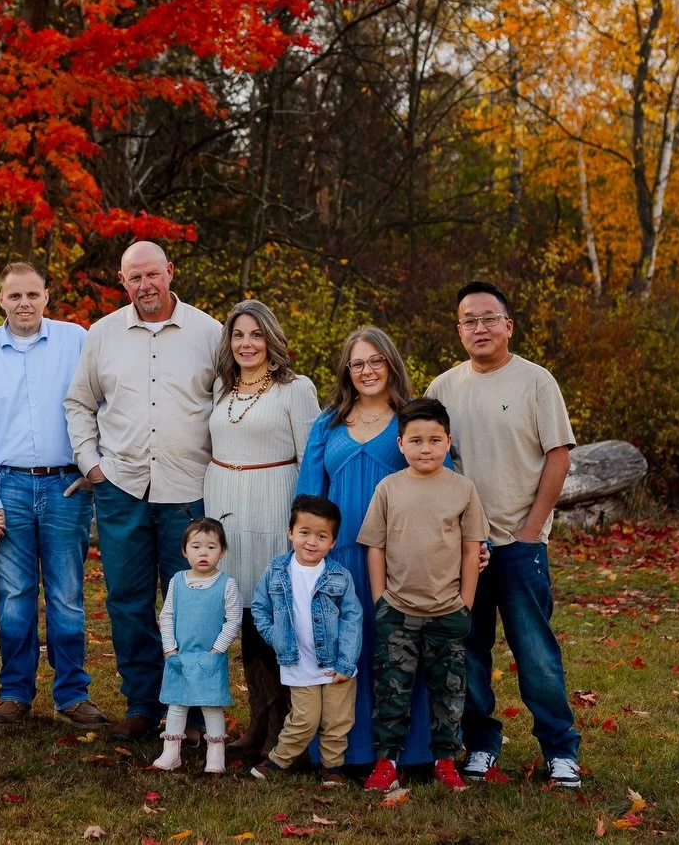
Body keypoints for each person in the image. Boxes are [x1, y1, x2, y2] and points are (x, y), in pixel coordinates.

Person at [426, 280, 581, 789]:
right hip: (464, 547)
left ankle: (561, 751)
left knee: (534, 651)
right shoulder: (443, 389)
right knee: (468, 650)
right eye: (469, 320)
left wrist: (532, 529)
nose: (479, 327)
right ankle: (482, 747)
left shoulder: (536, 382)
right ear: (459, 330)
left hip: (519, 544)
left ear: (508, 326)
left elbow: (558, 456)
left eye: (489, 318)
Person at [64, 240, 222, 740]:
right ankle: (142, 704)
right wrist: (92, 466)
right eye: (135, 278)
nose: (145, 285)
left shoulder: (210, 332)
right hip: (121, 489)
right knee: (128, 599)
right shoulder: (104, 334)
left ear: (170, 272)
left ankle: (193, 713)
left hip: (188, 492)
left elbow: (224, 405)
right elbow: (78, 403)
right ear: (123, 281)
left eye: (153, 274)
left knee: (193, 602)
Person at [0, 262, 106, 728]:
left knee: (66, 594)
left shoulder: (74, 340)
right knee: (14, 594)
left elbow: (100, 402)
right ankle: (14, 692)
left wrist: (93, 465)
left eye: (32, 294)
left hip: (66, 484)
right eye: (14, 295)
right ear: (0, 299)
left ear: (46, 296)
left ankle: (72, 695)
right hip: (7, 485)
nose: (24, 303)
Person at [293, 326, 434, 770]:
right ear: (346, 370)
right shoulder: (328, 422)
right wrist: (307, 553)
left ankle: (409, 753)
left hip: (400, 557)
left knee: (399, 648)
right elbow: (310, 497)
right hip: (338, 558)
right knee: (342, 649)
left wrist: (472, 542)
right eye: (357, 363)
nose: (367, 370)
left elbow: (444, 488)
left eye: (376, 361)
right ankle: (348, 752)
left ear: (391, 363)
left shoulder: (413, 420)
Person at [203, 300, 319, 757]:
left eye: (255, 334)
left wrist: (303, 524)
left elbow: (311, 458)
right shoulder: (222, 388)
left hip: (273, 507)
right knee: (246, 618)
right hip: (227, 508)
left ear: (271, 338)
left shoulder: (296, 388)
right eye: (238, 335)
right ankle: (256, 726)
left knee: (275, 616)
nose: (247, 344)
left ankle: (285, 730)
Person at [357, 398, 487, 793]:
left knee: (448, 690)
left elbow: (470, 549)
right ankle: (387, 762)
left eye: (434, 440)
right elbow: (374, 547)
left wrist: (466, 603)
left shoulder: (462, 489)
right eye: (416, 440)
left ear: (448, 441)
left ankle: (445, 760)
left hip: (448, 610)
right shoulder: (389, 488)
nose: (425, 448)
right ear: (400, 444)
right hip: (397, 609)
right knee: (391, 688)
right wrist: (380, 599)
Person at [249, 495, 362, 787]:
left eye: (321, 536)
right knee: (304, 719)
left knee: (337, 720)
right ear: (290, 533)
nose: (312, 542)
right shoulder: (277, 570)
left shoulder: (339, 576)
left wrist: (346, 662)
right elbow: (259, 608)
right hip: (297, 662)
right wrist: (274, 637)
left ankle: (332, 767)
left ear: (333, 542)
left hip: (336, 661)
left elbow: (353, 618)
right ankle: (279, 760)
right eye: (304, 533)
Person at [152, 518, 242, 774]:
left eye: (211, 547)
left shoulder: (226, 584)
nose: (204, 552)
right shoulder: (178, 581)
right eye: (196, 546)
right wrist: (169, 648)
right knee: (177, 704)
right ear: (184, 550)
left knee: (211, 705)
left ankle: (216, 755)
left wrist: (217, 650)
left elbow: (233, 619)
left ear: (222, 551)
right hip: (179, 656)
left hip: (209, 657)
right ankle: (171, 754)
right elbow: (167, 615)